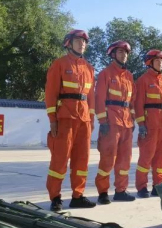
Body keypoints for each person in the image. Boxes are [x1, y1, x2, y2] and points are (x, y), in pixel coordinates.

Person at [45, 29, 96, 211]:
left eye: (84, 41)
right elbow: (51, 93)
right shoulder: (59, 64)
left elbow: (91, 97)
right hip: (65, 117)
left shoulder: (89, 68)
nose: (82, 44)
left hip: (84, 120)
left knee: (82, 160)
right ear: (69, 43)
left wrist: (91, 119)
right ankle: (55, 197)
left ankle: (78, 196)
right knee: (60, 159)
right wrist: (53, 119)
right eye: (78, 40)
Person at [94, 40, 136, 204]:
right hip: (111, 121)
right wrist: (102, 121)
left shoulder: (129, 76)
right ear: (112, 54)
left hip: (126, 122)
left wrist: (133, 119)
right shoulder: (105, 74)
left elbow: (132, 101)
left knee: (125, 159)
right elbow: (99, 98)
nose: (123, 55)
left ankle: (121, 190)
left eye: (125, 52)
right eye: (120, 52)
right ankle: (103, 192)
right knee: (108, 157)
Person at [134, 50, 162, 198]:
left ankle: (158, 185)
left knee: (161, 158)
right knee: (146, 157)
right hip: (150, 125)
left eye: (161, 61)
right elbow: (138, 104)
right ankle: (142, 187)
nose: (160, 63)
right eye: (157, 61)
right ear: (149, 63)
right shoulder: (143, 80)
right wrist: (141, 124)